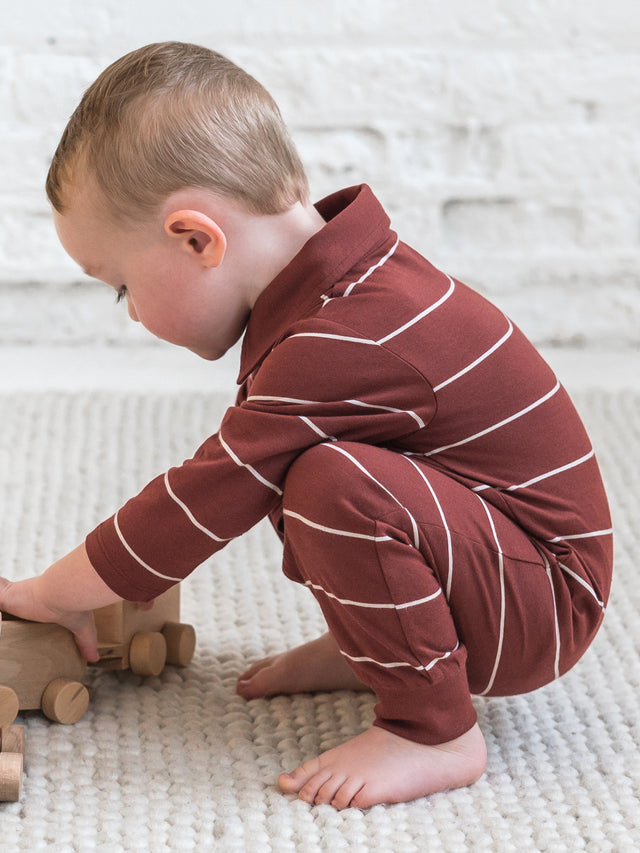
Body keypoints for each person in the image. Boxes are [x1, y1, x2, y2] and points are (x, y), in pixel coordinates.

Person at [0, 42, 613, 810]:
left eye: (122, 287)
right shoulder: (339, 290)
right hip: (499, 561)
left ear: (197, 239)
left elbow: (199, 501)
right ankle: (388, 650)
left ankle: (435, 729)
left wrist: (57, 591)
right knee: (307, 464)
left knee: (330, 480)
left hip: (545, 601)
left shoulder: (343, 337)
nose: (130, 312)